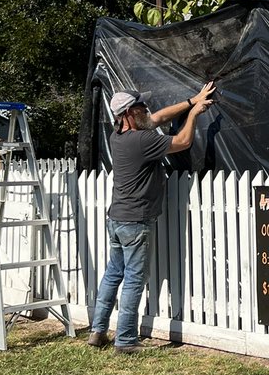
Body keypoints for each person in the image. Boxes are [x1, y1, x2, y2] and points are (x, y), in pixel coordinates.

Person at [88, 82, 215, 353]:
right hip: (136, 221)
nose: (147, 109)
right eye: (141, 107)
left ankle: (97, 331)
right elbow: (183, 142)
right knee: (134, 279)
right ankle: (125, 341)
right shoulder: (143, 141)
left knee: (113, 275)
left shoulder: (118, 136)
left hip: (118, 218)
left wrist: (191, 101)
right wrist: (194, 115)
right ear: (130, 115)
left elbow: (158, 118)